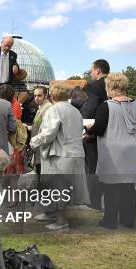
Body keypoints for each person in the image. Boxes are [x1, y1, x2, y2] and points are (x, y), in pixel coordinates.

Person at [85, 73, 136, 229]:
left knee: (111, 186)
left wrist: (88, 129)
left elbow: (99, 129)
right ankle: (128, 220)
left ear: (109, 87)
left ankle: (110, 221)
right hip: (133, 148)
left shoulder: (107, 106)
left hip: (114, 150)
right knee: (129, 186)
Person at [30, 84, 89, 231]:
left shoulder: (54, 110)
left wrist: (34, 142)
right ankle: (51, 214)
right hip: (76, 154)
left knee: (58, 189)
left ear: (52, 96)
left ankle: (61, 222)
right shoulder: (75, 111)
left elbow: (49, 133)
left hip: (61, 155)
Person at [81, 59, 110, 211]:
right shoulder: (112, 85)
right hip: (109, 132)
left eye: (92, 70)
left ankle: (94, 202)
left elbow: (90, 110)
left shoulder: (94, 86)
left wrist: (87, 130)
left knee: (92, 167)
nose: (91, 73)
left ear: (97, 70)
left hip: (94, 133)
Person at [0, 84, 25, 175]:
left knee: (13, 163)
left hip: (13, 139)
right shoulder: (11, 104)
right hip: (9, 138)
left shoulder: (14, 105)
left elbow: (12, 126)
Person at [26, 86, 53, 175]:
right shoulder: (41, 107)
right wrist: (29, 127)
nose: (36, 98)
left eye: (39, 95)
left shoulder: (48, 108)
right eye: (34, 96)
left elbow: (48, 129)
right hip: (38, 146)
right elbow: (40, 125)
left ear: (45, 95)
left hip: (43, 148)